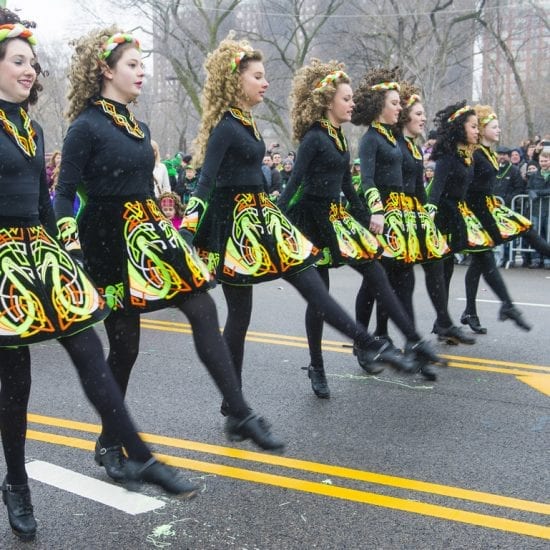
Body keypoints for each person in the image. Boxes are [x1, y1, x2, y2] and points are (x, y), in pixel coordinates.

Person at [0, 10, 202, 542]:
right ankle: (16, 483)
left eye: (31, 62)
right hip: (2, 267)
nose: (29, 70)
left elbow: (43, 205)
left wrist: (66, 252)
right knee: (15, 385)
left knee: (92, 352)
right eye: (17, 61)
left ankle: (140, 455)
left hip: (41, 256)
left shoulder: (32, 128)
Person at [54, 27, 284, 482]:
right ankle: (109, 441)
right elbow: (63, 195)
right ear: (106, 70)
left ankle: (238, 410)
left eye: (142, 65)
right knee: (126, 348)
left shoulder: (139, 127)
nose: (141, 72)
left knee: (202, 305)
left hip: (151, 234)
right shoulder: (85, 126)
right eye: (132, 65)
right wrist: (71, 244)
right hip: (109, 243)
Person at [182, 37, 413, 405]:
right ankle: (234, 397)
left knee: (310, 291)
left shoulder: (248, 122)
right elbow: (206, 180)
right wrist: (188, 229)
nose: (265, 82)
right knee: (240, 317)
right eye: (258, 76)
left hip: (262, 217)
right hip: (236, 228)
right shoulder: (226, 126)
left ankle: (367, 342)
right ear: (236, 81)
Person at [277, 60, 443, 392]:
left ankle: (411, 339)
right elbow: (294, 184)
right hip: (311, 221)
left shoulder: (341, 138)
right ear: (328, 101)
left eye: (352, 98)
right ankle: (316, 365)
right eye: (347, 98)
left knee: (376, 269)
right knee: (320, 297)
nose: (353, 104)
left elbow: (348, 189)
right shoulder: (313, 138)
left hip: (336, 217)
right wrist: (276, 221)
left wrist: (367, 218)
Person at [351, 70, 472, 350]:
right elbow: (367, 180)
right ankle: (367, 338)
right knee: (376, 281)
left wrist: (425, 216)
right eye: (396, 104)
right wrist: (377, 210)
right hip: (384, 218)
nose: (421, 117)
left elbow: (415, 189)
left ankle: (410, 339)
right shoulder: (376, 139)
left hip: (406, 218)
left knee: (403, 277)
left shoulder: (399, 143)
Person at [429, 101, 531, 333]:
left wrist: (489, 225)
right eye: (473, 127)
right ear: (460, 129)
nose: (477, 131)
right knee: (445, 270)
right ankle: (443, 321)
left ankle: (504, 305)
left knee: (479, 258)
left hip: (460, 216)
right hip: (443, 219)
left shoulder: (468, 156)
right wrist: (430, 215)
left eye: (478, 126)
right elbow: (436, 190)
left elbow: (472, 194)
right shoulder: (448, 157)